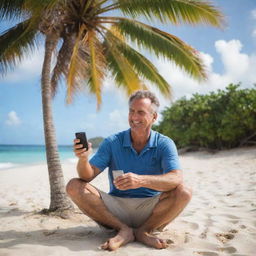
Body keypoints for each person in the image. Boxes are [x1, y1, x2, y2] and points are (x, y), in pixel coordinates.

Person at [66, 90, 192, 251]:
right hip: (116, 209)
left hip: (152, 209)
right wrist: (83, 159)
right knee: (73, 186)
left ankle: (143, 231)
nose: (134, 117)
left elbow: (176, 178)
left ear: (154, 117)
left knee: (185, 191)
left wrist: (141, 180)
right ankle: (123, 230)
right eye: (131, 111)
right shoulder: (112, 142)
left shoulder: (164, 143)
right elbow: (87, 176)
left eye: (140, 112)